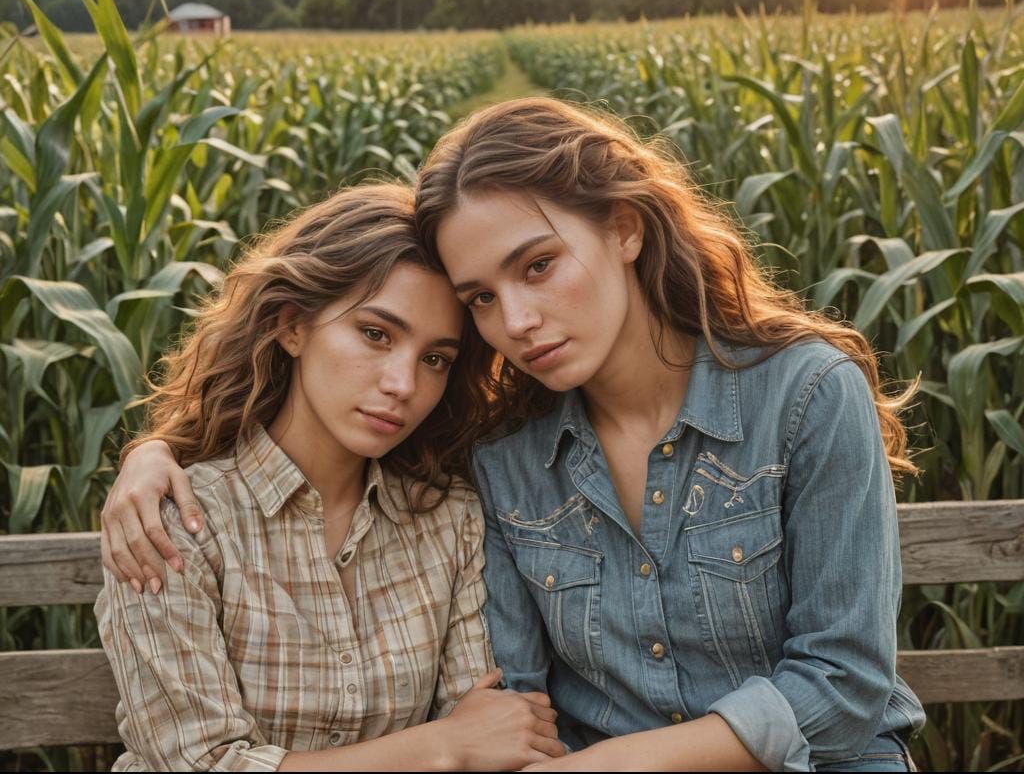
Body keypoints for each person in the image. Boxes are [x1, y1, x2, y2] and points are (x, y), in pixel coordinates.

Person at [104, 99, 926, 771]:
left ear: (625, 229)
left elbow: (846, 686)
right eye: (483, 299)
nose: (519, 323)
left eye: (537, 266)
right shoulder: (503, 455)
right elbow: (507, 696)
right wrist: (154, 453)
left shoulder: (807, 396)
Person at [94, 183, 564, 771]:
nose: (403, 383)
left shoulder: (448, 518)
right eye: (375, 334)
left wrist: (463, 742)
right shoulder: (178, 522)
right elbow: (201, 764)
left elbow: (486, 728)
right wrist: (440, 746)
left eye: (434, 358)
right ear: (292, 326)